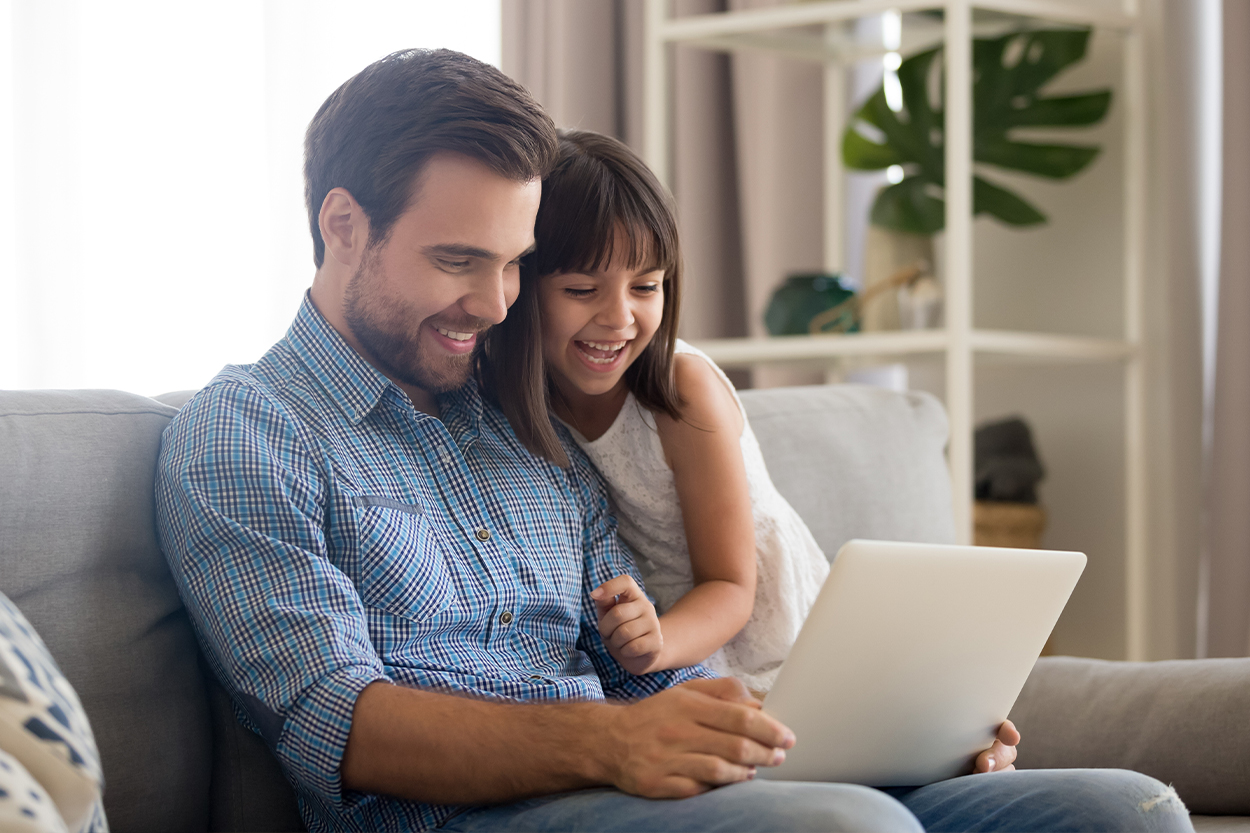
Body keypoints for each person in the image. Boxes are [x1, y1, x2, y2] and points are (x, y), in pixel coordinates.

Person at [155, 47, 1192, 833]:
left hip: (633, 772)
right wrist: (609, 737)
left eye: (514, 263)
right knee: (851, 826)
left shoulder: (521, 419)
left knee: (1120, 806)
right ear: (342, 224)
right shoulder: (249, 434)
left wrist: (879, 733)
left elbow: (641, 666)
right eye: (457, 258)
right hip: (477, 813)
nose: (492, 301)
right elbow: (338, 720)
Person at [478, 129, 829, 693]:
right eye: (582, 290)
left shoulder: (682, 392)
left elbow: (732, 587)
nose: (620, 319)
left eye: (645, 287)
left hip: (764, 636)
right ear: (522, 286)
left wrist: (658, 644)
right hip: (651, 646)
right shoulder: (503, 398)